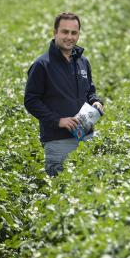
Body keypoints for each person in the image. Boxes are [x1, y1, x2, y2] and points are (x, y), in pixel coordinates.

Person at [24, 12, 104, 176]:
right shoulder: (42, 65)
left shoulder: (82, 62)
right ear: (55, 33)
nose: (69, 37)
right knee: (62, 194)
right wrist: (58, 121)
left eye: (74, 33)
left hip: (86, 138)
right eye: (65, 32)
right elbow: (31, 101)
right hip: (58, 142)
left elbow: (89, 89)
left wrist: (95, 101)